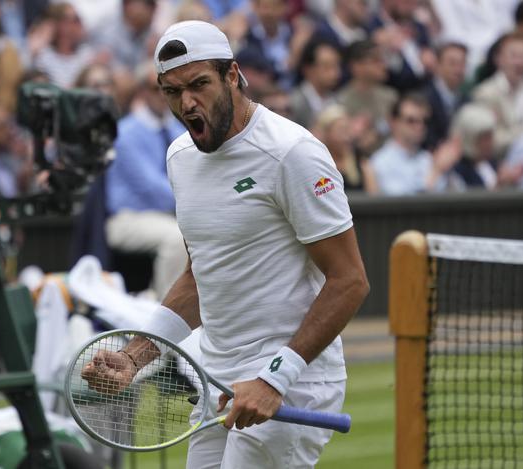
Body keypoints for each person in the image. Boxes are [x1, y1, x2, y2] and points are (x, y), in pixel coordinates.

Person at [82, 20, 369, 468]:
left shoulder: (293, 153)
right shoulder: (180, 158)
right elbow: (200, 278)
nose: (187, 103)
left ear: (232, 75)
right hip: (217, 382)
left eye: (199, 84)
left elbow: (349, 280)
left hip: (293, 381)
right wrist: (134, 356)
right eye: (173, 91)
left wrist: (275, 379)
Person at [105, 63, 187, 300]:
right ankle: (168, 315)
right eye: (156, 88)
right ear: (142, 91)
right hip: (126, 218)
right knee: (177, 238)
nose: (164, 94)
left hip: (166, 215)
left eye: (171, 88)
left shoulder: (174, 128)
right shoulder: (125, 133)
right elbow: (153, 187)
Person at [370, 93, 461, 195]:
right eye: (411, 121)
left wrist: (447, 170)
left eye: (424, 121)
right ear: (393, 122)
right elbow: (403, 205)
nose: (419, 126)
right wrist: (436, 172)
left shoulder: (428, 158)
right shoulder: (380, 162)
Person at [472, 33, 523, 159]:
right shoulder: (485, 93)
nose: (520, 62)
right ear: (498, 59)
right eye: (514, 56)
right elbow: (491, 141)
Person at [313, 104, 379, 194]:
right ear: (326, 134)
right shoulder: (317, 162)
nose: (346, 137)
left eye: (348, 130)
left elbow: (374, 197)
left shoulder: (361, 160)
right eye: (341, 131)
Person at [420, 41, 469, 150]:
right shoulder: (423, 98)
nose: (458, 69)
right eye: (452, 63)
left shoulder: (468, 100)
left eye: (462, 64)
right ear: (438, 65)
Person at [289, 37, 341, 129]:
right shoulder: (294, 103)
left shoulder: (338, 100)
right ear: (308, 69)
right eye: (327, 67)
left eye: (336, 66)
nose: (335, 73)